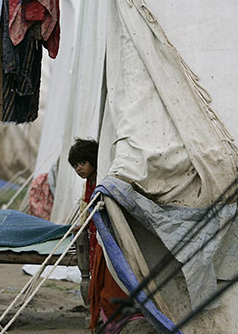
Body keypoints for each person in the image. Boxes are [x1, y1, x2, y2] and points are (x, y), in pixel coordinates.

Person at [68, 138, 146, 333]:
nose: (79, 169)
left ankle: (119, 318)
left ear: (94, 161)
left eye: (82, 163)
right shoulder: (89, 183)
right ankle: (107, 318)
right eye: (75, 165)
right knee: (100, 280)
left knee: (111, 282)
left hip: (109, 240)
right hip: (97, 239)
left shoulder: (105, 180)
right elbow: (87, 210)